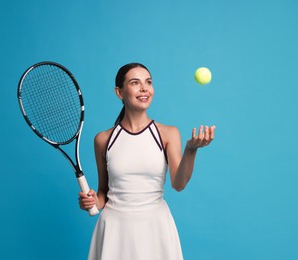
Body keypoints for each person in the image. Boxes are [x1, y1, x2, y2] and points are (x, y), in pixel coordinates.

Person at [79, 63, 216, 260]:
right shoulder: (103, 140)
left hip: (155, 228)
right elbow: (104, 193)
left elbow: (178, 184)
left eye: (148, 82)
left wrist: (191, 149)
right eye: (135, 83)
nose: (144, 88)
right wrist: (92, 201)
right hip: (114, 230)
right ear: (119, 92)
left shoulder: (168, 133)